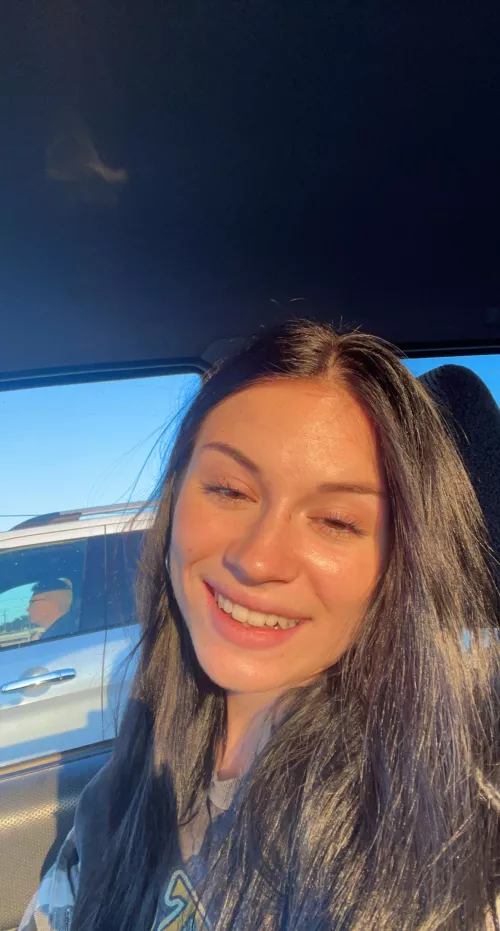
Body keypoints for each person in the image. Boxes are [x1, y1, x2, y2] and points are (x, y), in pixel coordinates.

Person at [20, 320, 500, 931]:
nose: (257, 559)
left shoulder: (442, 831)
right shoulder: (135, 769)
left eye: (336, 521)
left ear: (399, 564)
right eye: (228, 490)